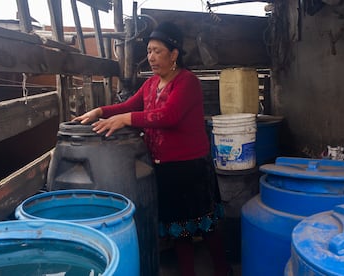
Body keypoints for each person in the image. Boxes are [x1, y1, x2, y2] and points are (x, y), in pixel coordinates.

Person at [73, 21, 231, 276]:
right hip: (164, 167)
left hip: (190, 167)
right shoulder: (150, 84)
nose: (151, 57)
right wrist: (100, 111)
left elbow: (169, 116)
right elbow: (131, 106)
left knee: (206, 224)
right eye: (149, 51)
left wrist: (126, 120)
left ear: (174, 54)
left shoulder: (187, 82)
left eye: (157, 51)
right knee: (178, 229)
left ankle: (224, 271)